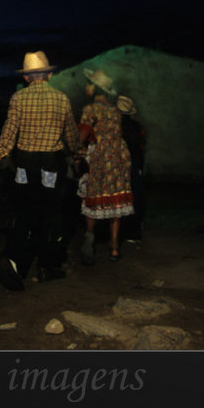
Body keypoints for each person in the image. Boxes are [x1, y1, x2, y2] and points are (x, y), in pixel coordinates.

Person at [0, 51, 83, 290]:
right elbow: (71, 134)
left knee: (25, 211)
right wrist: (77, 152)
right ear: (49, 75)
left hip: (25, 163)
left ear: (27, 77)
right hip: (51, 163)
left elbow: (10, 130)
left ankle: (15, 266)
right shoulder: (61, 98)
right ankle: (47, 267)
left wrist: (0, 152)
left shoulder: (18, 98)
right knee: (51, 212)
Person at [76, 70, 135, 265]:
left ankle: (90, 236)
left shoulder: (90, 109)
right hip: (119, 156)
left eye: (88, 84)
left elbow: (83, 135)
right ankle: (115, 247)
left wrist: (76, 152)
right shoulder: (115, 111)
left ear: (94, 88)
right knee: (115, 200)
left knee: (93, 196)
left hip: (100, 156)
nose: (86, 88)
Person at [116, 95, 146, 244]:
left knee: (118, 197)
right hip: (134, 164)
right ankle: (134, 230)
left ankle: (119, 231)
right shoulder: (136, 126)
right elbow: (142, 146)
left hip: (120, 165)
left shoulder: (115, 125)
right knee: (135, 197)